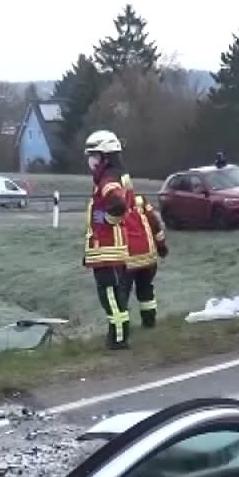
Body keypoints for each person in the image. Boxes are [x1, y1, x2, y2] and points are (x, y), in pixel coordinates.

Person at [82, 129, 135, 350]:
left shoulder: (108, 179)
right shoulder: (114, 176)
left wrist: (108, 219)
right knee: (114, 293)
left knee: (110, 295)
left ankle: (118, 338)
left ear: (105, 156)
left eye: (94, 155)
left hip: (108, 248)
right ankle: (118, 335)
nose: (90, 161)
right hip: (109, 247)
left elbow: (119, 205)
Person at [122, 177, 169, 331]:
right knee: (146, 289)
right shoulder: (140, 200)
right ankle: (149, 322)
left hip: (126, 260)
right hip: (147, 257)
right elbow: (155, 224)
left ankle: (122, 328)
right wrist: (161, 246)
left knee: (122, 294)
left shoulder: (111, 204)